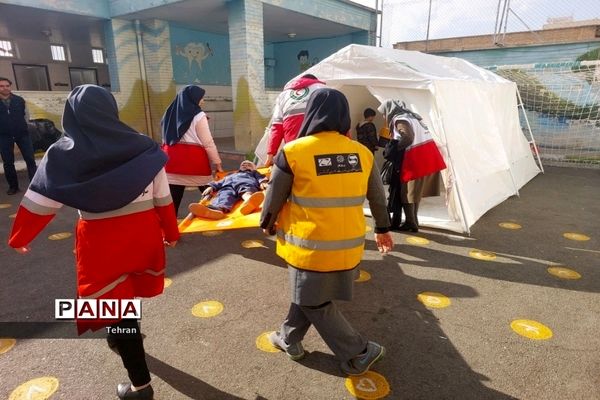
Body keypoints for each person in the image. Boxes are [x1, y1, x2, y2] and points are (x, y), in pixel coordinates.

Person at [8, 85, 180, 400]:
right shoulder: (143, 146)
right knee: (128, 294)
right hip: (143, 236)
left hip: (101, 245)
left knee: (115, 305)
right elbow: (163, 197)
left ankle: (140, 386)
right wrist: (171, 232)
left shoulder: (62, 153)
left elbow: (40, 199)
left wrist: (22, 237)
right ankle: (124, 335)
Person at [260, 88, 394, 376]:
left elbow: (274, 197)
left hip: (309, 247)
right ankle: (288, 339)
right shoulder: (361, 152)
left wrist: (267, 223)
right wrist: (382, 229)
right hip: (349, 246)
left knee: (314, 300)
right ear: (344, 117)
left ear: (310, 113)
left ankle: (359, 351)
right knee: (307, 294)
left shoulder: (294, 151)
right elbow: (378, 198)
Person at [378, 100, 446, 232]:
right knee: (414, 193)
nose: (383, 116)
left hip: (416, 156)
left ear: (389, 110)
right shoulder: (412, 116)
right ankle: (414, 220)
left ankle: (410, 222)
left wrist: (395, 149)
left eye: (383, 113)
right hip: (427, 154)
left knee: (407, 192)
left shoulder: (400, 119)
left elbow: (408, 137)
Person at [161, 85, 223, 216]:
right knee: (212, 193)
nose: (203, 101)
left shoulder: (169, 113)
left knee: (173, 201)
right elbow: (208, 143)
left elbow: (164, 139)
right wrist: (217, 163)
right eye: (201, 98)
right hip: (194, 163)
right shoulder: (198, 115)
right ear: (193, 98)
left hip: (171, 164)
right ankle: (220, 213)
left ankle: (169, 234)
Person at [263, 74, 325, 167]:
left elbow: (276, 127)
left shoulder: (283, 95)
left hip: (294, 149)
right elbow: (339, 119)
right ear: (315, 81)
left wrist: (270, 155)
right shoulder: (324, 90)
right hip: (320, 148)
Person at [188, 159, 268, 220]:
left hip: (245, 183)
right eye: (243, 164)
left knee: (245, 190)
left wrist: (263, 182)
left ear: (253, 168)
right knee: (225, 194)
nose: (245, 165)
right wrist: (211, 186)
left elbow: (260, 177)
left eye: (248, 164)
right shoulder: (231, 174)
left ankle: (249, 201)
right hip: (228, 186)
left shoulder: (253, 173)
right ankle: (217, 209)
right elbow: (220, 182)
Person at [0, 77, 37, 195]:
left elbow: (27, 115)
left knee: (30, 159)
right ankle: (13, 187)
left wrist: (23, 126)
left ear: (10, 86)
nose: (5, 88)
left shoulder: (19, 100)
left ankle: (35, 185)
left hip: (22, 134)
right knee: (8, 162)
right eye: (1, 86)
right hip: (3, 136)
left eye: (7, 85)